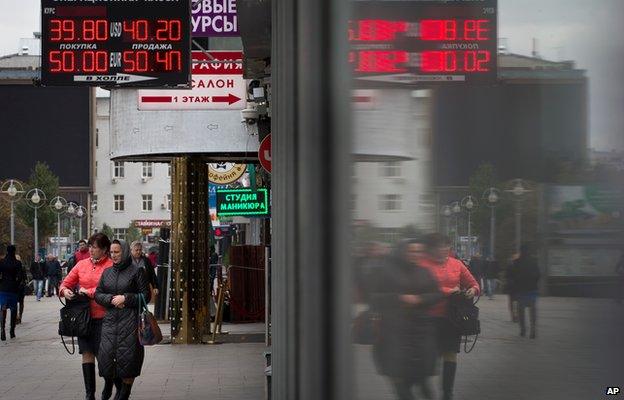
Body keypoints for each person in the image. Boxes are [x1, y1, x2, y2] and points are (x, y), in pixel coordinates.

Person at [371, 238, 442, 400]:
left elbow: (437, 294)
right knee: (400, 382)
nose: (415, 254)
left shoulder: (425, 272)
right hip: (395, 332)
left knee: (423, 381)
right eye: (411, 251)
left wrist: (420, 299)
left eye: (418, 251)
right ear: (402, 252)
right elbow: (375, 298)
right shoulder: (386, 271)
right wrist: (399, 298)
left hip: (421, 333)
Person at [419, 234, 480, 400]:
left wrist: (472, 290)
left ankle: (447, 393)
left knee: (450, 353)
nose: (444, 250)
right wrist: (449, 291)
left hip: (452, 317)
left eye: (446, 246)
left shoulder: (457, 264)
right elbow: (424, 288)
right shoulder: (422, 265)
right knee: (429, 355)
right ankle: (424, 388)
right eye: (439, 246)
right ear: (431, 248)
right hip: (428, 317)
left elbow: (473, 283)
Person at [59, 233, 114, 400]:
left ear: (104, 249)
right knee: (87, 353)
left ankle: (108, 387)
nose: (90, 250)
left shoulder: (111, 266)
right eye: (89, 246)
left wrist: (88, 292)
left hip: (105, 317)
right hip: (84, 318)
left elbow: (111, 290)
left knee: (104, 356)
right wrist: (65, 291)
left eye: (94, 247)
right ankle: (89, 394)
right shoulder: (81, 265)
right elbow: (65, 283)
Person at [96, 240, 151, 400]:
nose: (113, 255)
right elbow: (98, 294)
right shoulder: (107, 273)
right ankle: (116, 391)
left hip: (130, 323)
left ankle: (124, 394)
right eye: (111, 252)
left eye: (117, 252)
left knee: (128, 362)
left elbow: (145, 296)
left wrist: (125, 298)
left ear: (125, 252)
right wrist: (111, 299)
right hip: (110, 323)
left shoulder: (137, 271)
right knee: (107, 361)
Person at [508, 244, 541, 338]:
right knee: (532, 311)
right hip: (532, 290)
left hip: (521, 291)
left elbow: (512, 275)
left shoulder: (517, 262)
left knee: (521, 311)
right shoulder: (534, 261)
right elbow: (538, 274)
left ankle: (523, 330)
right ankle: (533, 330)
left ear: (521, 251)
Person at [0, 245, 25, 340]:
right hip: (13, 288)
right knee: (14, 309)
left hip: (3, 288)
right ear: (14, 251)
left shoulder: (2, 262)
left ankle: (2, 330)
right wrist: (16, 284)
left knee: (3, 308)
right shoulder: (17, 263)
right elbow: (20, 277)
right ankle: (12, 331)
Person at [15, 254, 27, 324]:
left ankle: (19, 316)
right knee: (17, 302)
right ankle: (17, 316)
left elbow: (25, 277)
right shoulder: (21, 267)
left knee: (19, 302)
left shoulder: (22, 267)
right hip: (17, 287)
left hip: (19, 287)